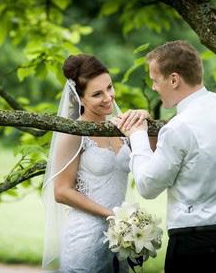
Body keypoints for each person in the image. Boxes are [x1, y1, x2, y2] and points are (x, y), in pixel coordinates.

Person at [112, 40, 216, 272]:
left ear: (173, 79)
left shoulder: (177, 128)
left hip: (191, 247)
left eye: (155, 80)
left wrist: (137, 135)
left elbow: (148, 186)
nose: (153, 87)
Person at [41, 54, 150, 273]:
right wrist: (111, 214)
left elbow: (154, 153)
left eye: (110, 87)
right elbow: (61, 191)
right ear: (79, 98)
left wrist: (144, 117)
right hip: (86, 239)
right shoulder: (73, 134)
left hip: (119, 238)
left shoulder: (121, 128)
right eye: (97, 94)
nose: (109, 97)